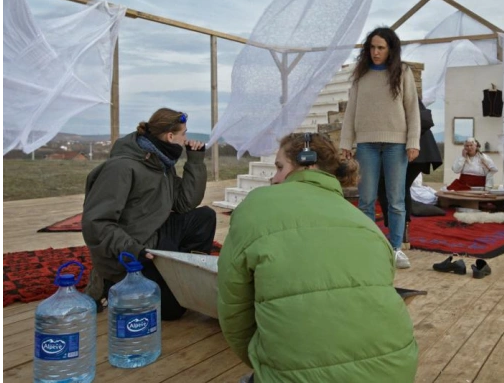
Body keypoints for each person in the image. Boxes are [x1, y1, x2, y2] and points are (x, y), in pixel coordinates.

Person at [217, 132, 418, 382]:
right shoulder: (367, 226)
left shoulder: (257, 205)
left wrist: (264, 362)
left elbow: (234, 313)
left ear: (307, 164)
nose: (274, 178)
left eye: (279, 167)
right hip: (396, 372)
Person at [81, 108, 216, 320]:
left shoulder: (161, 163)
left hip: (155, 234)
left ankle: (182, 271)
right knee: (173, 309)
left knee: (204, 217)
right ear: (170, 136)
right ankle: (108, 282)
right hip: (131, 250)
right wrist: (133, 250)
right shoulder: (121, 168)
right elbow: (96, 223)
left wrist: (196, 161)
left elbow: (184, 203)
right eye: (184, 134)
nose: (186, 139)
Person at [339, 27, 420, 270]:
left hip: (397, 144)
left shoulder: (402, 72)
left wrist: (413, 141)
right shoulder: (361, 73)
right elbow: (351, 109)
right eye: (372, 47)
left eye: (381, 48)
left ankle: (395, 249)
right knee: (366, 200)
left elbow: (412, 108)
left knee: (396, 200)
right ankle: (368, 247)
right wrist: (346, 142)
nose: (376, 52)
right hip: (366, 144)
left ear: (390, 49)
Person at [378, 98, 443, 228]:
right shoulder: (406, 95)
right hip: (421, 150)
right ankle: (401, 227)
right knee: (401, 187)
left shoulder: (400, 94)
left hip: (412, 149)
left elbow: (423, 120)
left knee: (388, 187)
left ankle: (396, 226)